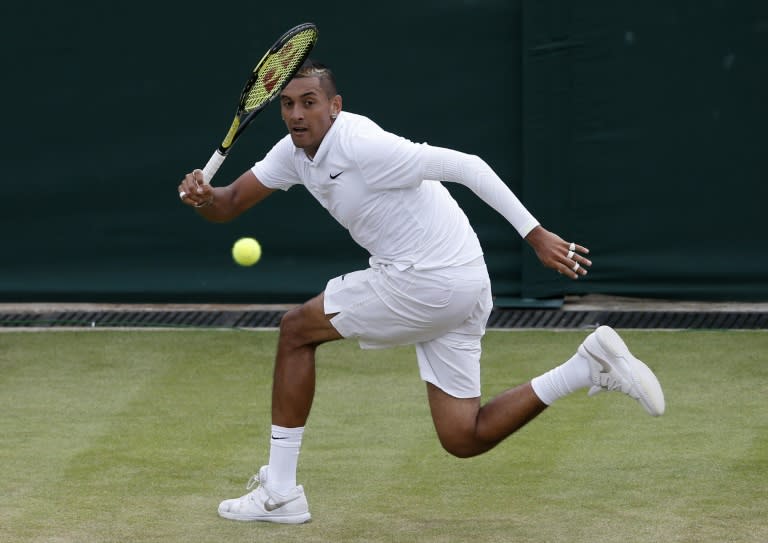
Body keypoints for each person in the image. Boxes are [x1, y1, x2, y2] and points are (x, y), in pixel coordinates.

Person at [177, 59, 665, 525]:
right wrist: (204, 198)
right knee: (463, 435)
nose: (297, 114)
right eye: (287, 104)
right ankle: (586, 366)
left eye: (309, 102)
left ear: (335, 106)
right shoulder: (293, 153)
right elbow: (229, 203)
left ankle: (280, 492)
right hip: (463, 280)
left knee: (295, 331)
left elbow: (468, 165)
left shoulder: (364, 146)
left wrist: (533, 233)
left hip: (428, 278)